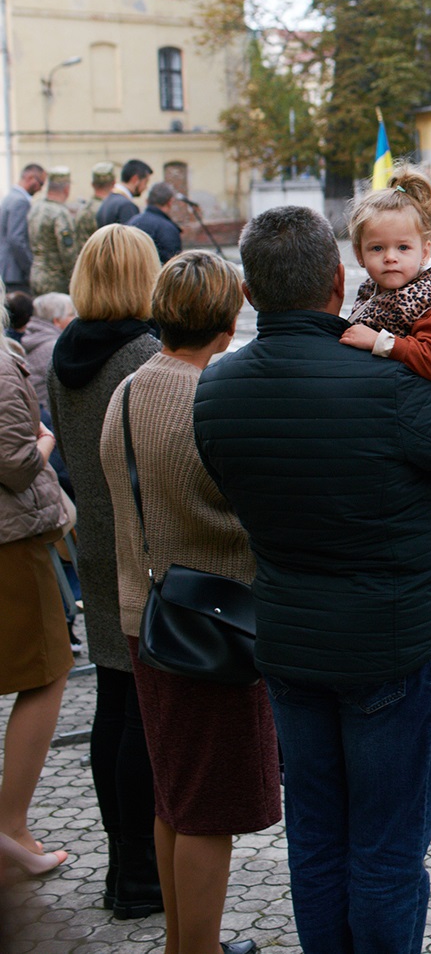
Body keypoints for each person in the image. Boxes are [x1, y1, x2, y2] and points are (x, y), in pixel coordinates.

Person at [192, 206, 431, 954]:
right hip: (390, 646)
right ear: (340, 281)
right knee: (387, 853)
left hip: (290, 644)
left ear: (250, 293)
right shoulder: (388, 385)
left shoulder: (218, 390)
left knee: (318, 843)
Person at [101, 251, 275, 954]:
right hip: (213, 628)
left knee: (175, 796)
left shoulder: (131, 387)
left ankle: (182, 941)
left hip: (147, 619)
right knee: (207, 809)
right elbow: (241, 516)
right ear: (230, 320)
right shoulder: (211, 397)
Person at [48, 223, 164, 918]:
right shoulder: (143, 355)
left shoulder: (69, 350)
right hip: (139, 548)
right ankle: (144, 877)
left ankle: (124, 869)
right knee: (144, 718)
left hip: (93, 539)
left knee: (113, 709)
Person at [0, 334, 73, 884]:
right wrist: (45, 440)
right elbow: (17, 463)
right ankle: (12, 828)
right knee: (47, 672)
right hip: (10, 541)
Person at [339, 167, 431, 402]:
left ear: (424, 252)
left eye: (403, 247)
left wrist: (378, 342)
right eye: (377, 248)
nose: (390, 257)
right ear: (359, 253)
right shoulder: (372, 290)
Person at [29, 168, 78, 294]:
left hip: (35, 274)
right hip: (56, 280)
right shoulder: (60, 213)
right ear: (66, 189)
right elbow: (68, 252)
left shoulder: (36, 208)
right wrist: (76, 278)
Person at [23, 293, 74, 413]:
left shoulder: (31, 337)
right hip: (46, 418)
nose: (76, 318)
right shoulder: (55, 347)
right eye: (71, 314)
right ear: (56, 321)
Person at [1, 163, 46, 293]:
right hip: (15, 273)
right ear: (30, 178)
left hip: (8, 271)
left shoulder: (10, 197)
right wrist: (30, 267)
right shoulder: (20, 202)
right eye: (41, 183)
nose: (40, 189)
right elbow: (16, 239)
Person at [129, 183, 184, 264]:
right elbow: (173, 265)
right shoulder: (168, 228)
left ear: (147, 201)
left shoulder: (132, 222)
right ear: (170, 202)